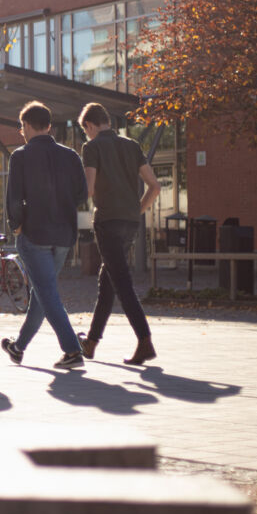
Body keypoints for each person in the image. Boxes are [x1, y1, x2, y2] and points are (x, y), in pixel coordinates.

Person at [0, 101, 89, 370]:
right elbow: (83, 195)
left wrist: (16, 225)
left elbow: (14, 199)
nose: (21, 132)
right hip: (63, 235)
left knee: (47, 292)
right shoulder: (71, 155)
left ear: (27, 125)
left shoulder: (21, 156)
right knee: (43, 292)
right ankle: (18, 348)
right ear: (49, 126)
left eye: (21, 126)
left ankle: (72, 350)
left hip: (34, 234)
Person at [78, 102, 161, 365]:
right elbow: (155, 186)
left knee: (121, 282)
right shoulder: (131, 145)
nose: (87, 136)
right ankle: (90, 343)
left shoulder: (92, 147)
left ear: (90, 125)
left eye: (86, 131)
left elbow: (89, 189)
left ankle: (145, 341)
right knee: (109, 280)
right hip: (130, 222)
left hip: (107, 222)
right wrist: (137, 210)